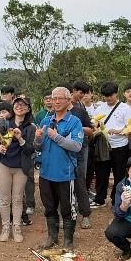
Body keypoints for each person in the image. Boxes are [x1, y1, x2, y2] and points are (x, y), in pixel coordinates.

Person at [35, 87, 83, 250]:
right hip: (45, 172)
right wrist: (38, 138)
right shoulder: (46, 121)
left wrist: (55, 136)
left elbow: (76, 146)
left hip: (65, 172)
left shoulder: (74, 122)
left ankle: (68, 241)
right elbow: (38, 146)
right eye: (53, 98)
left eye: (60, 98)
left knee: (67, 208)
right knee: (49, 207)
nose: (56, 101)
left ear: (68, 101)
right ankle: (52, 237)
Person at [0, 96, 36, 242]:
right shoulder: (5, 123)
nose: (19, 106)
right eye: (17, 104)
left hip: (21, 167)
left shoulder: (30, 128)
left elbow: (31, 150)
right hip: (4, 165)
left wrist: (20, 139)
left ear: (28, 109)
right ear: (13, 107)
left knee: (17, 199)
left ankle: (16, 227)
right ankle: (6, 226)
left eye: (23, 105)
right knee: (4, 199)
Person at [90, 82, 131, 209]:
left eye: (111, 95)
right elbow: (95, 123)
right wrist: (96, 128)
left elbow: (130, 128)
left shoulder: (125, 108)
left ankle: (117, 199)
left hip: (120, 146)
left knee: (119, 174)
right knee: (101, 173)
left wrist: (118, 131)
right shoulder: (100, 108)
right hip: (103, 146)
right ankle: (100, 198)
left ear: (117, 93)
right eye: (106, 96)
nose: (108, 98)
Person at [68, 88, 94, 228]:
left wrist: (77, 127)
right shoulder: (54, 114)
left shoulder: (80, 112)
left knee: (79, 182)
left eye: (63, 98)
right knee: (62, 186)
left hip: (78, 152)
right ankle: (65, 215)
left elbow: (90, 131)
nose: (58, 101)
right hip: (60, 154)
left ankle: (85, 214)